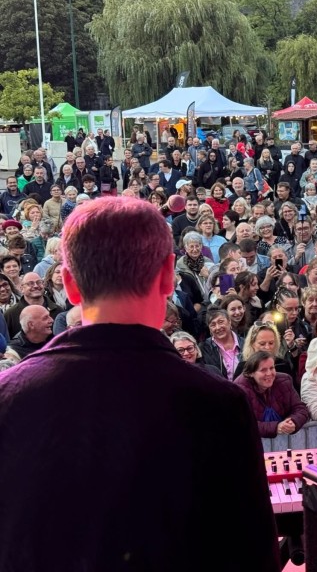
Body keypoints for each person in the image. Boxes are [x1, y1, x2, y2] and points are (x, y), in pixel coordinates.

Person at [0, 197, 279, 571]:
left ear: (69, 284)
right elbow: (253, 554)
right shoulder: (220, 405)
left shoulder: (8, 396)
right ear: (167, 275)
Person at [234, 350, 310, 439]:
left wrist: (293, 422)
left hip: (286, 443)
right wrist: (276, 427)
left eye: (271, 368)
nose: (269, 373)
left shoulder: (284, 381)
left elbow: (300, 408)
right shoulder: (240, 390)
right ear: (251, 373)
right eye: (263, 370)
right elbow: (241, 423)